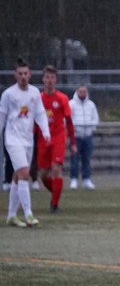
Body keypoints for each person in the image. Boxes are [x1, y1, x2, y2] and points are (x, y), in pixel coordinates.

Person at [0, 57, 50, 228]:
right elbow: (2, 117)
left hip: (28, 140)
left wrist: (45, 131)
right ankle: (28, 214)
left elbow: (40, 113)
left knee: (18, 176)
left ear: (30, 75)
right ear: (15, 75)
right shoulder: (8, 94)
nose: (23, 77)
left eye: (25, 74)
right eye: (20, 74)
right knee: (24, 173)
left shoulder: (35, 93)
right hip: (13, 139)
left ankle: (11, 216)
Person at [37, 65, 76, 213]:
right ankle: (56, 192)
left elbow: (69, 121)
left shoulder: (62, 98)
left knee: (56, 168)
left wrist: (73, 143)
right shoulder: (38, 98)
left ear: (56, 80)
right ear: (43, 79)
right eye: (47, 77)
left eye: (52, 78)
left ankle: (54, 205)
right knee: (43, 175)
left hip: (58, 137)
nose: (49, 80)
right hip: (43, 138)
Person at [69, 84, 99, 190]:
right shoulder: (71, 104)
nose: (82, 93)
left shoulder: (91, 105)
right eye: (81, 91)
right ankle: (74, 179)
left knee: (87, 159)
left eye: (84, 91)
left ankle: (86, 179)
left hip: (87, 136)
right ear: (77, 92)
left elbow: (95, 118)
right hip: (76, 137)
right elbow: (68, 119)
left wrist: (91, 129)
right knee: (74, 159)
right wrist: (74, 130)